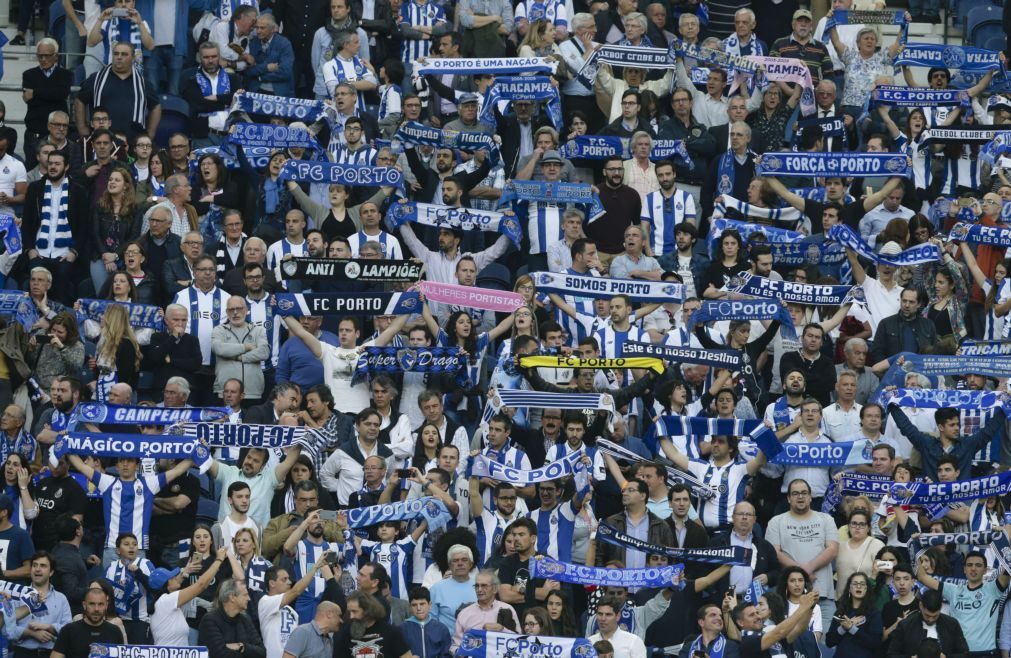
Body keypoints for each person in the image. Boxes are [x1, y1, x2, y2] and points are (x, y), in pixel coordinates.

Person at [886, 589, 968, 658]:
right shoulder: (905, 625)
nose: (930, 619)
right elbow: (891, 654)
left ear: (941, 608)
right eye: (927, 615)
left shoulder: (952, 624)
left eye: (935, 616)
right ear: (921, 605)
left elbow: (964, 653)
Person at [197, 579, 267, 658]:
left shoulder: (245, 619)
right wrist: (249, 653)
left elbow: (262, 652)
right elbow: (219, 654)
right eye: (245, 595)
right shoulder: (210, 620)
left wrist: (241, 646)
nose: (249, 598)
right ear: (232, 597)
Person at [333, 591, 412, 658]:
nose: (351, 616)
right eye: (349, 612)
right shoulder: (345, 633)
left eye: (354, 611)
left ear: (368, 610)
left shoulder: (391, 632)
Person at [49, 588, 124, 658]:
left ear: (106, 606)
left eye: (100, 604)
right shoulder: (68, 630)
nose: (96, 609)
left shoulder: (115, 631)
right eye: (92, 604)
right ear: (84, 605)